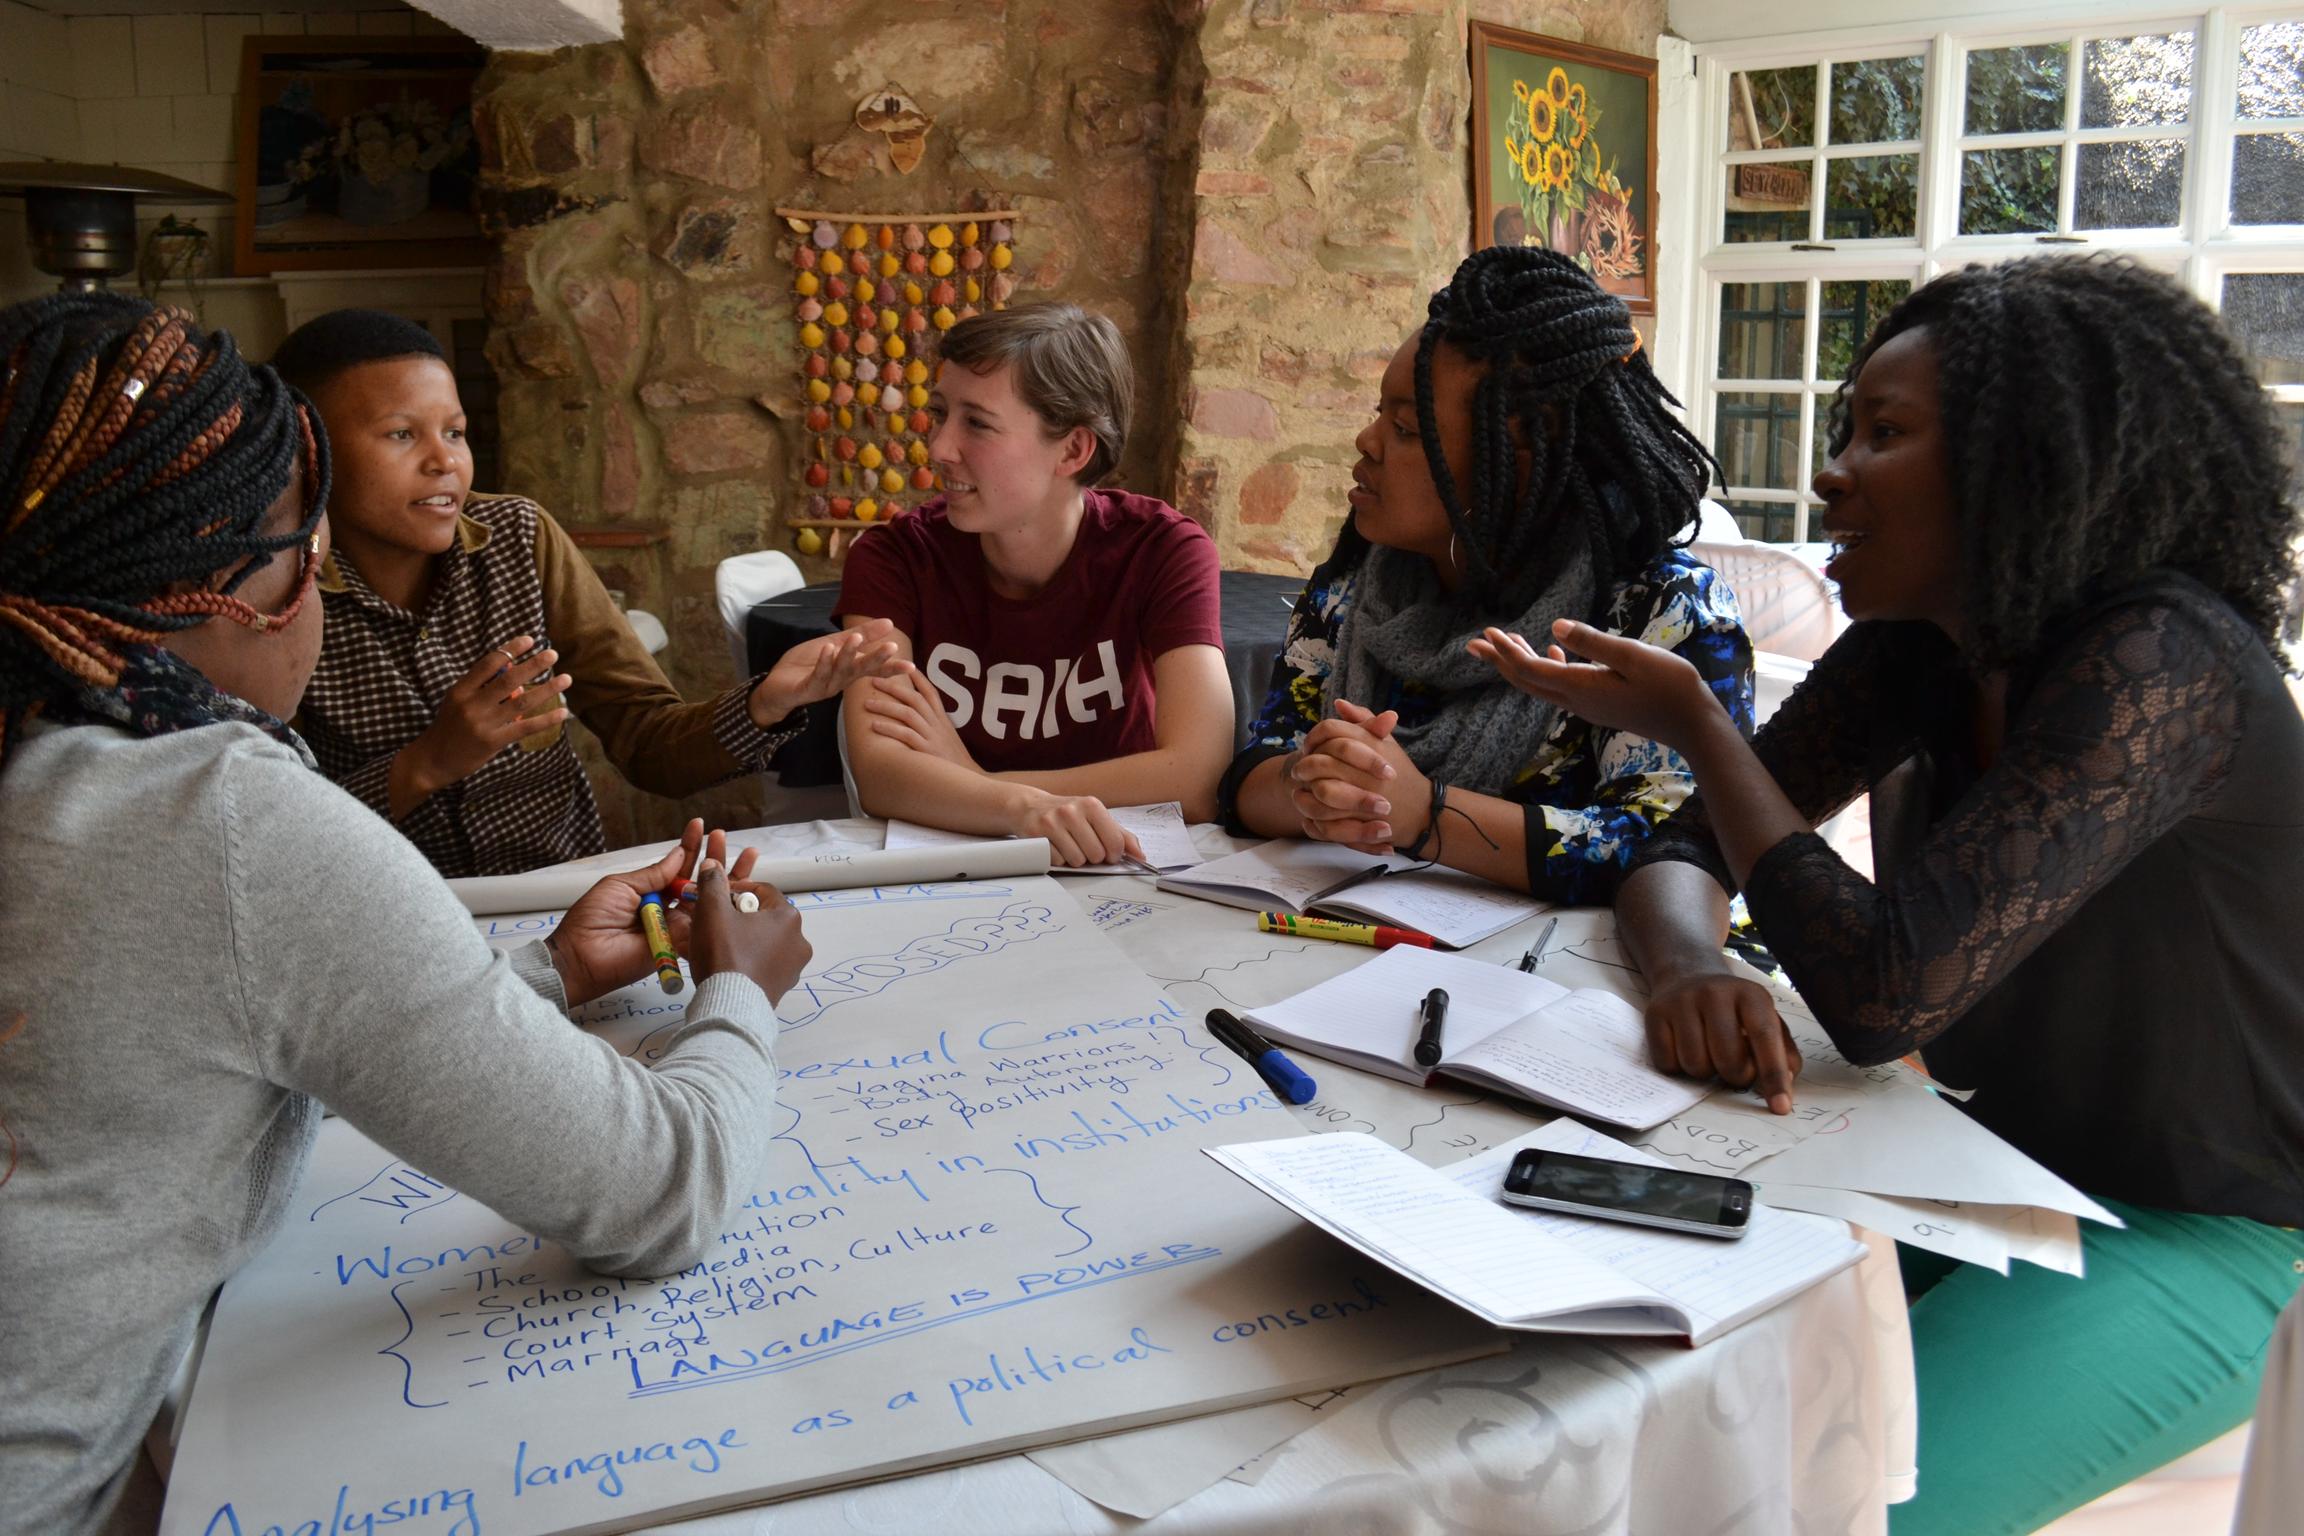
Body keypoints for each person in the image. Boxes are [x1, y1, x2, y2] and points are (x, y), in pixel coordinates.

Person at [1475, 255, 2304, 1535]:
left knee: (1850, 1511)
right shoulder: (1926, 643)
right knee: (1617, 1386)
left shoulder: (2161, 661)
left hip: (2210, 1224)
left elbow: (1882, 996)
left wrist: (1702, 726)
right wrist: (1691, 965)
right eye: (1844, 430)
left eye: (1885, 433)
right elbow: (1683, 850)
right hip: (1986, 1170)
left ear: (2017, 462)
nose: (1833, 472)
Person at [0, 294, 811, 1535]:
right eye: (301, 550)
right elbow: (663, 1188)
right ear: (230, 592)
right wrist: (741, 983)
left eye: (457, 431)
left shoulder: (48, 758)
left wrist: (542, 971)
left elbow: (221, 1015)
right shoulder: (221, 815)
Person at [269, 309, 901, 879]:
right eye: (402, 435)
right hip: (394, 917)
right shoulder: (275, 590)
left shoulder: (519, 537)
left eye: (455, 433)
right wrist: (426, 764)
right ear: (310, 449)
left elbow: (646, 741)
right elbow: (272, 841)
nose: (445, 462)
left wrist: (764, 702)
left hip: (558, 905)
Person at [1221, 246, 1754, 904]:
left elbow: (1672, 846)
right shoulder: (1350, 590)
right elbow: (1252, 771)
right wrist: (1307, 784)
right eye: (1379, 413)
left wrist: (1426, 816)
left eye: (1406, 427)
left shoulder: (1662, 613)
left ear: (1518, 461)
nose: (1367, 441)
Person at [835, 302, 1235, 867]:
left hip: (1117, 866)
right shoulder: (893, 558)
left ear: (1072, 449)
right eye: (942, 413)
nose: (940, 447)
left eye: (977, 423)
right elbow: (882, 774)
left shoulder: (1163, 550)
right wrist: (1020, 808)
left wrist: (971, 780)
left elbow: (1198, 776)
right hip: (952, 873)